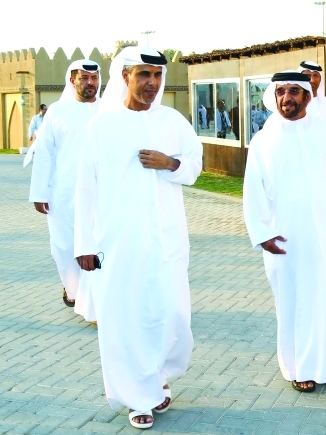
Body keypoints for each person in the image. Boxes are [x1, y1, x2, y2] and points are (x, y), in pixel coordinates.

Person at [73, 46, 203, 429]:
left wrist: (170, 163)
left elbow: (195, 165)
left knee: (170, 314)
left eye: (158, 75)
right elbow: (85, 188)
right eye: (144, 74)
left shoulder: (173, 121)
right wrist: (84, 244)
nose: (152, 83)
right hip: (118, 243)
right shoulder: (102, 126)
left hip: (168, 241)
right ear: (125, 76)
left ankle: (156, 377)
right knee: (125, 319)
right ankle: (137, 397)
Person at [243, 70, 326, 393]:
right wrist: (262, 233)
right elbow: (253, 190)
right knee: (294, 302)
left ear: (307, 96)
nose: (286, 98)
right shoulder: (264, 139)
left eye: (294, 91)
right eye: (281, 91)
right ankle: (298, 367)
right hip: (285, 237)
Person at [28, 60, 101, 319]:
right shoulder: (57, 112)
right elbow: (44, 153)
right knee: (63, 246)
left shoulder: (109, 110)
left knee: (97, 244)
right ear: (72, 80)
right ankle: (73, 290)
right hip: (63, 193)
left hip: (100, 194)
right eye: (84, 77)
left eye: (94, 77)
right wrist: (39, 193)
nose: (90, 82)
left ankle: (93, 302)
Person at [297, 61, 326, 127]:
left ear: (320, 79)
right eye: (308, 75)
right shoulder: (294, 104)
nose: (312, 80)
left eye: (316, 75)